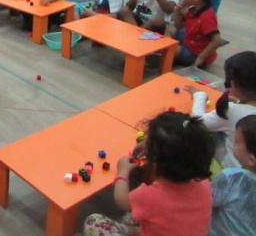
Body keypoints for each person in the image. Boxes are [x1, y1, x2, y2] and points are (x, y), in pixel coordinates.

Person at [83, 111, 214, 236]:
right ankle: (136, 230)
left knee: (93, 222)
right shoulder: (204, 183)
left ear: (156, 160)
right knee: (145, 215)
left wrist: (122, 172)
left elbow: (121, 200)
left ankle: (135, 230)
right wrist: (151, 146)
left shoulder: (150, 196)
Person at [185, 51, 256, 170]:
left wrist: (199, 95)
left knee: (196, 133)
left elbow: (198, 121)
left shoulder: (232, 111)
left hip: (233, 168)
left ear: (232, 84)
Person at [209, 114, 256, 236]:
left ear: (252, 159)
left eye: (236, 142)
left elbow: (204, 202)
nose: (233, 144)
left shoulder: (232, 178)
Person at [166, 0, 223, 67]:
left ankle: (169, 57)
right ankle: (170, 55)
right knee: (170, 29)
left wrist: (201, 57)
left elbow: (217, 40)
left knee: (170, 48)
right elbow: (178, 25)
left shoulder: (207, 17)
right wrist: (177, 10)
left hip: (195, 54)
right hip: (189, 40)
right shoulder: (194, 8)